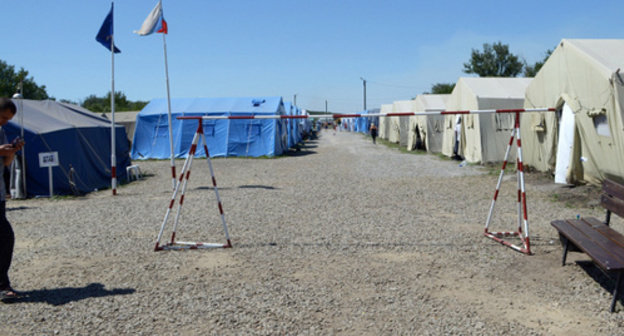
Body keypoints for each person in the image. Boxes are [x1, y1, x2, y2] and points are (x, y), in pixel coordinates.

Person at [0, 98, 24, 301]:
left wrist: (12, 152)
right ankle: (2, 285)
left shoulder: (1, 131)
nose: (5, 122)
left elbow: (5, 164)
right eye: (3, 117)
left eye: (8, 119)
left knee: (4, 238)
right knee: (5, 238)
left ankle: (2, 283)